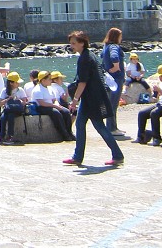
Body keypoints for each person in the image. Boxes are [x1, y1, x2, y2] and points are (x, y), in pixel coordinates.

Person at [64, 30, 124, 167]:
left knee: (99, 126)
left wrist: (74, 100)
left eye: (73, 43)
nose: (71, 46)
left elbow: (82, 82)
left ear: (81, 43)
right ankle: (77, 156)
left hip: (92, 98)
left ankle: (117, 155)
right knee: (80, 125)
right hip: (90, 97)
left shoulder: (85, 58)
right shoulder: (89, 55)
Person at [136, 65, 162, 145]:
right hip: (160, 103)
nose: (160, 78)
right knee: (142, 113)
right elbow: (157, 98)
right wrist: (155, 95)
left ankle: (156, 137)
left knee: (154, 113)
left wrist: (160, 90)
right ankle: (141, 136)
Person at [31, 71, 75, 141]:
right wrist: (54, 106)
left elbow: (54, 99)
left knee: (66, 111)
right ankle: (64, 134)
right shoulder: (37, 90)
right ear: (43, 80)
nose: (51, 81)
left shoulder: (49, 88)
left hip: (51, 105)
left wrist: (57, 104)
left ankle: (69, 132)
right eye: (49, 79)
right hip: (41, 107)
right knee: (56, 113)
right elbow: (42, 103)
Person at [101, 27, 125, 134]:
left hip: (109, 79)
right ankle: (112, 128)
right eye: (120, 36)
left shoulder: (106, 46)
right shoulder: (114, 46)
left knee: (111, 103)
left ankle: (113, 127)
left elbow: (102, 58)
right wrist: (116, 66)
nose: (121, 38)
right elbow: (114, 56)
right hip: (116, 78)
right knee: (113, 104)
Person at [0, 72, 27, 145]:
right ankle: (2, 136)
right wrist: (8, 99)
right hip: (8, 109)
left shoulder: (20, 90)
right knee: (3, 117)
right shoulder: (4, 91)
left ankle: (10, 136)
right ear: (11, 83)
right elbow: (0, 103)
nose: (18, 84)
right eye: (17, 82)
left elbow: (24, 102)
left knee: (11, 116)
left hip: (17, 109)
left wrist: (18, 100)